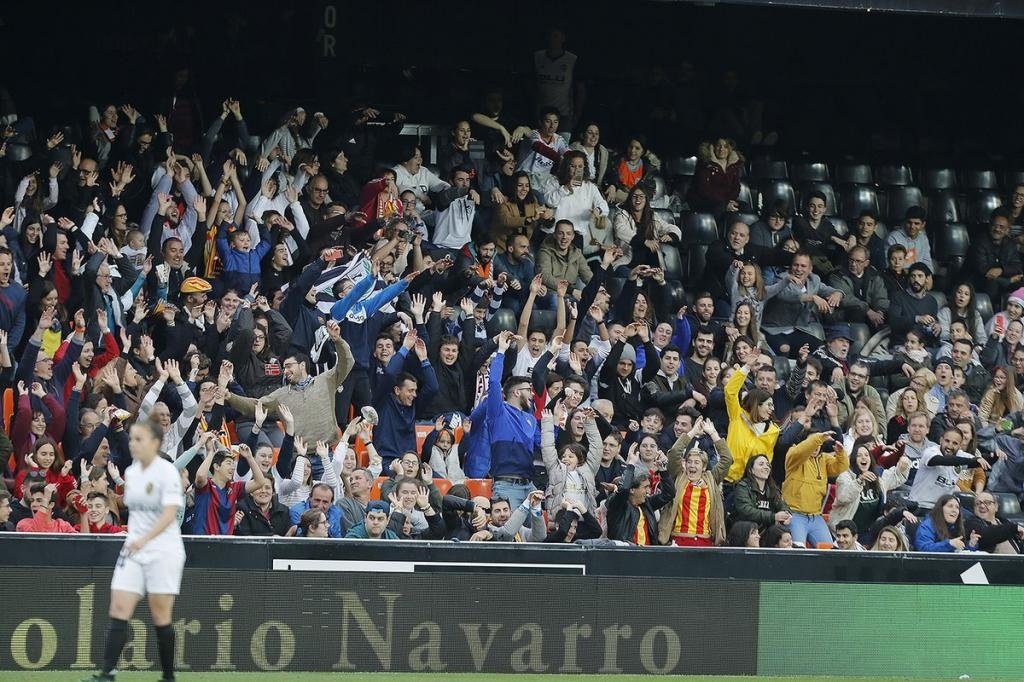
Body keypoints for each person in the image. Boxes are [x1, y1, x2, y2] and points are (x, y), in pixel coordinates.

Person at [88, 422, 183, 682]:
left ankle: (168, 676)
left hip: (164, 549)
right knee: (119, 606)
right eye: (131, 439)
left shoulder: (167, 472)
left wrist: (145, 539)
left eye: (139, 439)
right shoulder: (131, 473)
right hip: (134, 548)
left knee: (160, 614)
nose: (133, 444)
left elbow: (169, 513)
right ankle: (107, 674)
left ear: (154, 443)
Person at [483, 331, 541, 510]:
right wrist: (501, 351)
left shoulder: (530, 418)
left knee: (536, 536)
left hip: (529, 485)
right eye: (528, 390)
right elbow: (494, 382)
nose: (532, 394)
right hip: (506, 485)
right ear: (516, 392)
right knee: (510, 535)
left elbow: (544, 444)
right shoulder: (498, 412)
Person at [659, 416, 733, 546]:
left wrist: (713, 433)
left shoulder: (711, 478)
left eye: (697, 462)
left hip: (705, 541)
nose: (692, 466)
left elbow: (727, 459)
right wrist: (693, 432)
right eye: (689, 462)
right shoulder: (679, 476)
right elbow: (675, 452)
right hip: (679, 539)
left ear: (704, 467)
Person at [761, 252, 843, 357]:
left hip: (799, 329)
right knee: (784, 348)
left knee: (821, 348)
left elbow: (828, 290)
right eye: (796, 265)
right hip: (774, 329)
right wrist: (812, 297)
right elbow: (787, 295)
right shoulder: (783, 278)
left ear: (810, 269)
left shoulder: (814, 280)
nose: (799, 269)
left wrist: (838, 294)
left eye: (803, 266)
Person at [781, 431, 849, 547]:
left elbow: (840, 467)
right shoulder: (793, 454)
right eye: (813, 442)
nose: (816, 446)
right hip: (795, 515)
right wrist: (818, 438)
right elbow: (801, 450)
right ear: (804, 442)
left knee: (829, 552)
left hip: (816, 517)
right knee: (797, 552)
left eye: (819, 444)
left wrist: (841, 453)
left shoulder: (824, 459)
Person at [966, 207, 1022, 302]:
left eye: (1001, 227)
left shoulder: (1010, 244)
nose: (997, 229)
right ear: (990, 225)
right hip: (978, 283)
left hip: (1000, 282)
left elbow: (1018, 267)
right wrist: (1008, 280)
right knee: (992, 282)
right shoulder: (979, 242)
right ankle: (989, 313)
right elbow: (984, 272)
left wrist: (1001, 270)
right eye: (994, 225)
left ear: (1007, 230)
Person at [828, 246, 889, 328]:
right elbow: (846, 298)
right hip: (844, 313)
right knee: (857, 313)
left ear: (866, 263)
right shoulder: (837, 275)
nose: (853, 264)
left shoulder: (874, 276)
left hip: (871, 313)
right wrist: (867, 310)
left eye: (858, 261)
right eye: (851, 260)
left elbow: (880, 297)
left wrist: (880, 312)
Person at [731, 453, 792, 533]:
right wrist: (773, 517)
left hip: (766, 531)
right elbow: (746, 511)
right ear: (751, 470)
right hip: (746, 531)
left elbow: (782, 505)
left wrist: (786, 514)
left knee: (783, 532)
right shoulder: (742, 487)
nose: (766, 467)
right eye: (761, 464)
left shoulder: (773, 488)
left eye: (767, 464)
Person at [687, 137, 744, 213]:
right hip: (705, 202)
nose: (721, 149)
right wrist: (724, 203)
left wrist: (730, 201)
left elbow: (736, 187)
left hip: (726, 202)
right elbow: (704, 190)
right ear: (712, 147)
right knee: (720, 209)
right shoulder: (705, 164)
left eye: (725, 146)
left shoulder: (734, 165)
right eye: (718, 146)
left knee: (745, 208)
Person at [913, 494, 978, 552]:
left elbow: (958, 552)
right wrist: (949, 544)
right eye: (950, 506)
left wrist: (971, 545)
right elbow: (923, 548)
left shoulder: (956, 526)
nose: (954, 510)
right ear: (940, 509)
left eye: (957, 507)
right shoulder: (927, 525)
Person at [886, 205, 932, 271]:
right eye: (909, 222)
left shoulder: (923, 238)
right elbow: (889, 265)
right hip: (898, 277)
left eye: (916, 223)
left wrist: (928, 276)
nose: (912, 227)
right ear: (905, 222)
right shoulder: (893, 238)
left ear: (923, 225)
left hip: (918, 277)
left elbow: (927, 262)